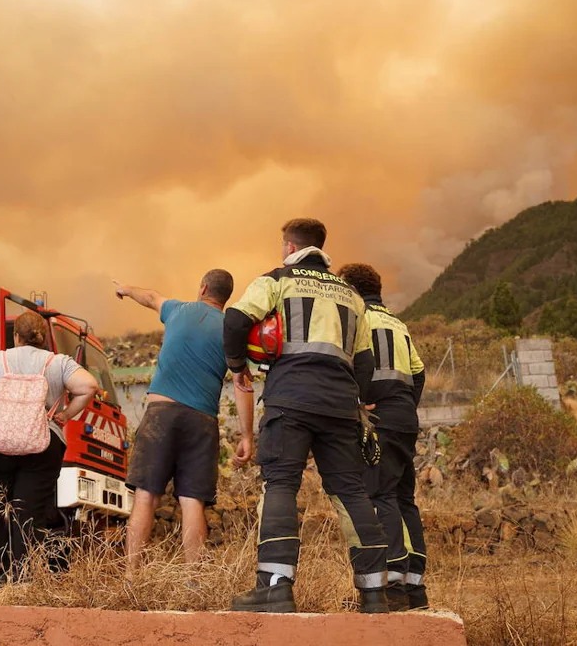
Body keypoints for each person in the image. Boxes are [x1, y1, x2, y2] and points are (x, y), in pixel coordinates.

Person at [224, 218, 389, 614]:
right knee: (350, 491)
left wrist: (237, 365)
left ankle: (276, 587)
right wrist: (360, 399)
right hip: (340, 406)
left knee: (281, 484)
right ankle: (374, 594)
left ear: (288, 245)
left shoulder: (276, 280)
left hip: (291, 399)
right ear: (321, 247)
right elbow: (366, 360)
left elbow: (234, 320)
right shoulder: (352, 296)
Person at [114, 270, 253, 576]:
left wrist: (125, 288)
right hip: (201, 421)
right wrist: (246, 435)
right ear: (226, 296)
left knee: (146, 496)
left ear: (203, 287)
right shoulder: (231, 328)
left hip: (161, 414)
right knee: (193, 502)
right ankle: (193, 582)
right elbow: (243, 383)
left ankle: (130, 577)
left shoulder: (178, 309)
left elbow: (149, 296)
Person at [0, 310, 100, 584]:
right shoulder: (58, 362)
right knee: (28, 512)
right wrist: (64, 415)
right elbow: (89, 386)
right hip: (42, 442)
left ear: (16, 336)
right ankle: (25, 580)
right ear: (43, 337)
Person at [338, 262, 429, 611]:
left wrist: (363, 401)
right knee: (405, 498)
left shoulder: (357, 316)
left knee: (380, 495)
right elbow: (419, 373)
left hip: (380, 419)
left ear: (352, 289)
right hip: (406, 418)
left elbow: (352, 362)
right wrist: (404, 403)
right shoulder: (398, 323)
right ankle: (414, 586)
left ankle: (391, 583)